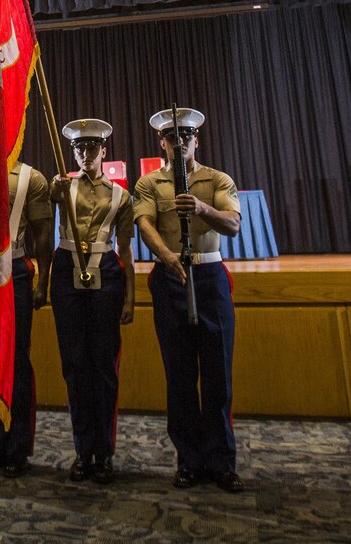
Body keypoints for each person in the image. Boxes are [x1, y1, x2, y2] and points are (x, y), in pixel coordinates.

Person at [133, 107, 243, 493]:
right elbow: (144, 223)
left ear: (196, 140)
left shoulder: (217, 179)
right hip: (171, 279)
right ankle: (189, 460)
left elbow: (232, 224)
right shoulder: (149, 183)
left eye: (185, 137)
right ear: (161, 143)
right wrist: (165, 257)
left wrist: (201, 208)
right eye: (170, 138)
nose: (178, 144)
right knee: (179, 377)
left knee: (218, 377)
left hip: (210, 278)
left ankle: (221, 461)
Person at [49, 118, 134, 484]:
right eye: (78, 148)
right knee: (74, 366)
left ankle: (105, 452)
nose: (85, 154)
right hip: (67, 273)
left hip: (107, 278)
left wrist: (130, 298)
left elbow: (127, 251)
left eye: (91, 147)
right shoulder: (60, 187)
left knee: (104, 366)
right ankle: (84, 451)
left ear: (104, 151)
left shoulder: (121, 196)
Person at [0, 155, 53, 478]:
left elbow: (43, 233)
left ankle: (17, 448)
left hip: (16, 270)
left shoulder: (31, 178)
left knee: (17, 361)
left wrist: (43, 283)